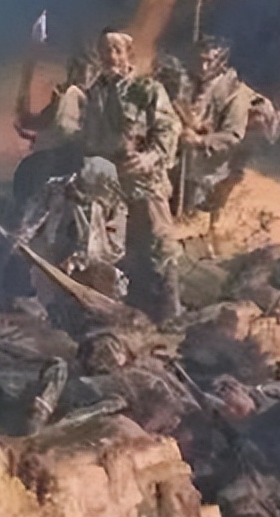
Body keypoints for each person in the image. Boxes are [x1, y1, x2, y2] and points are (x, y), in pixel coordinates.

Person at [81, 29, 183, 322]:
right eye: (105, 50)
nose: (110, 56)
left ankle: (170, 315)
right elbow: (88, 137)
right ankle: (129, 314)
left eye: (116, 50)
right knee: (119, 251)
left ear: (128, 55)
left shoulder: (146, 89)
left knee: (159, 246)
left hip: (143, 181)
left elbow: (168, 129)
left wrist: (149, 157)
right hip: (108, 184)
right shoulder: (94, 93)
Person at [176, 36, 273, 213]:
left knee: (198, 210)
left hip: (219, 168)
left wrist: (199, 141)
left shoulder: (235, 94)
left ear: (221, 63)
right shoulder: (188, 82)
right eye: (200, 60)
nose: (203, 67)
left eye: (209, 62)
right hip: (186, 163)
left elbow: (232, 136)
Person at [15, 156, 129, 301]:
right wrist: (22, 240)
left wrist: (82, 260)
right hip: (53, 253)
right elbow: (33, 218)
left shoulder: (114, 201)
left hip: (93, 262)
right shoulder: (55, 188)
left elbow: (116, 246)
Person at [11, 51, 98, 212]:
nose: (78, 74)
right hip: (59, 158)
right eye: (74, 68)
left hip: (79, 160)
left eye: (83, 69)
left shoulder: (97, 99)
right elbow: (28, 121)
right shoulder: (65, 97)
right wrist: (26, 76)